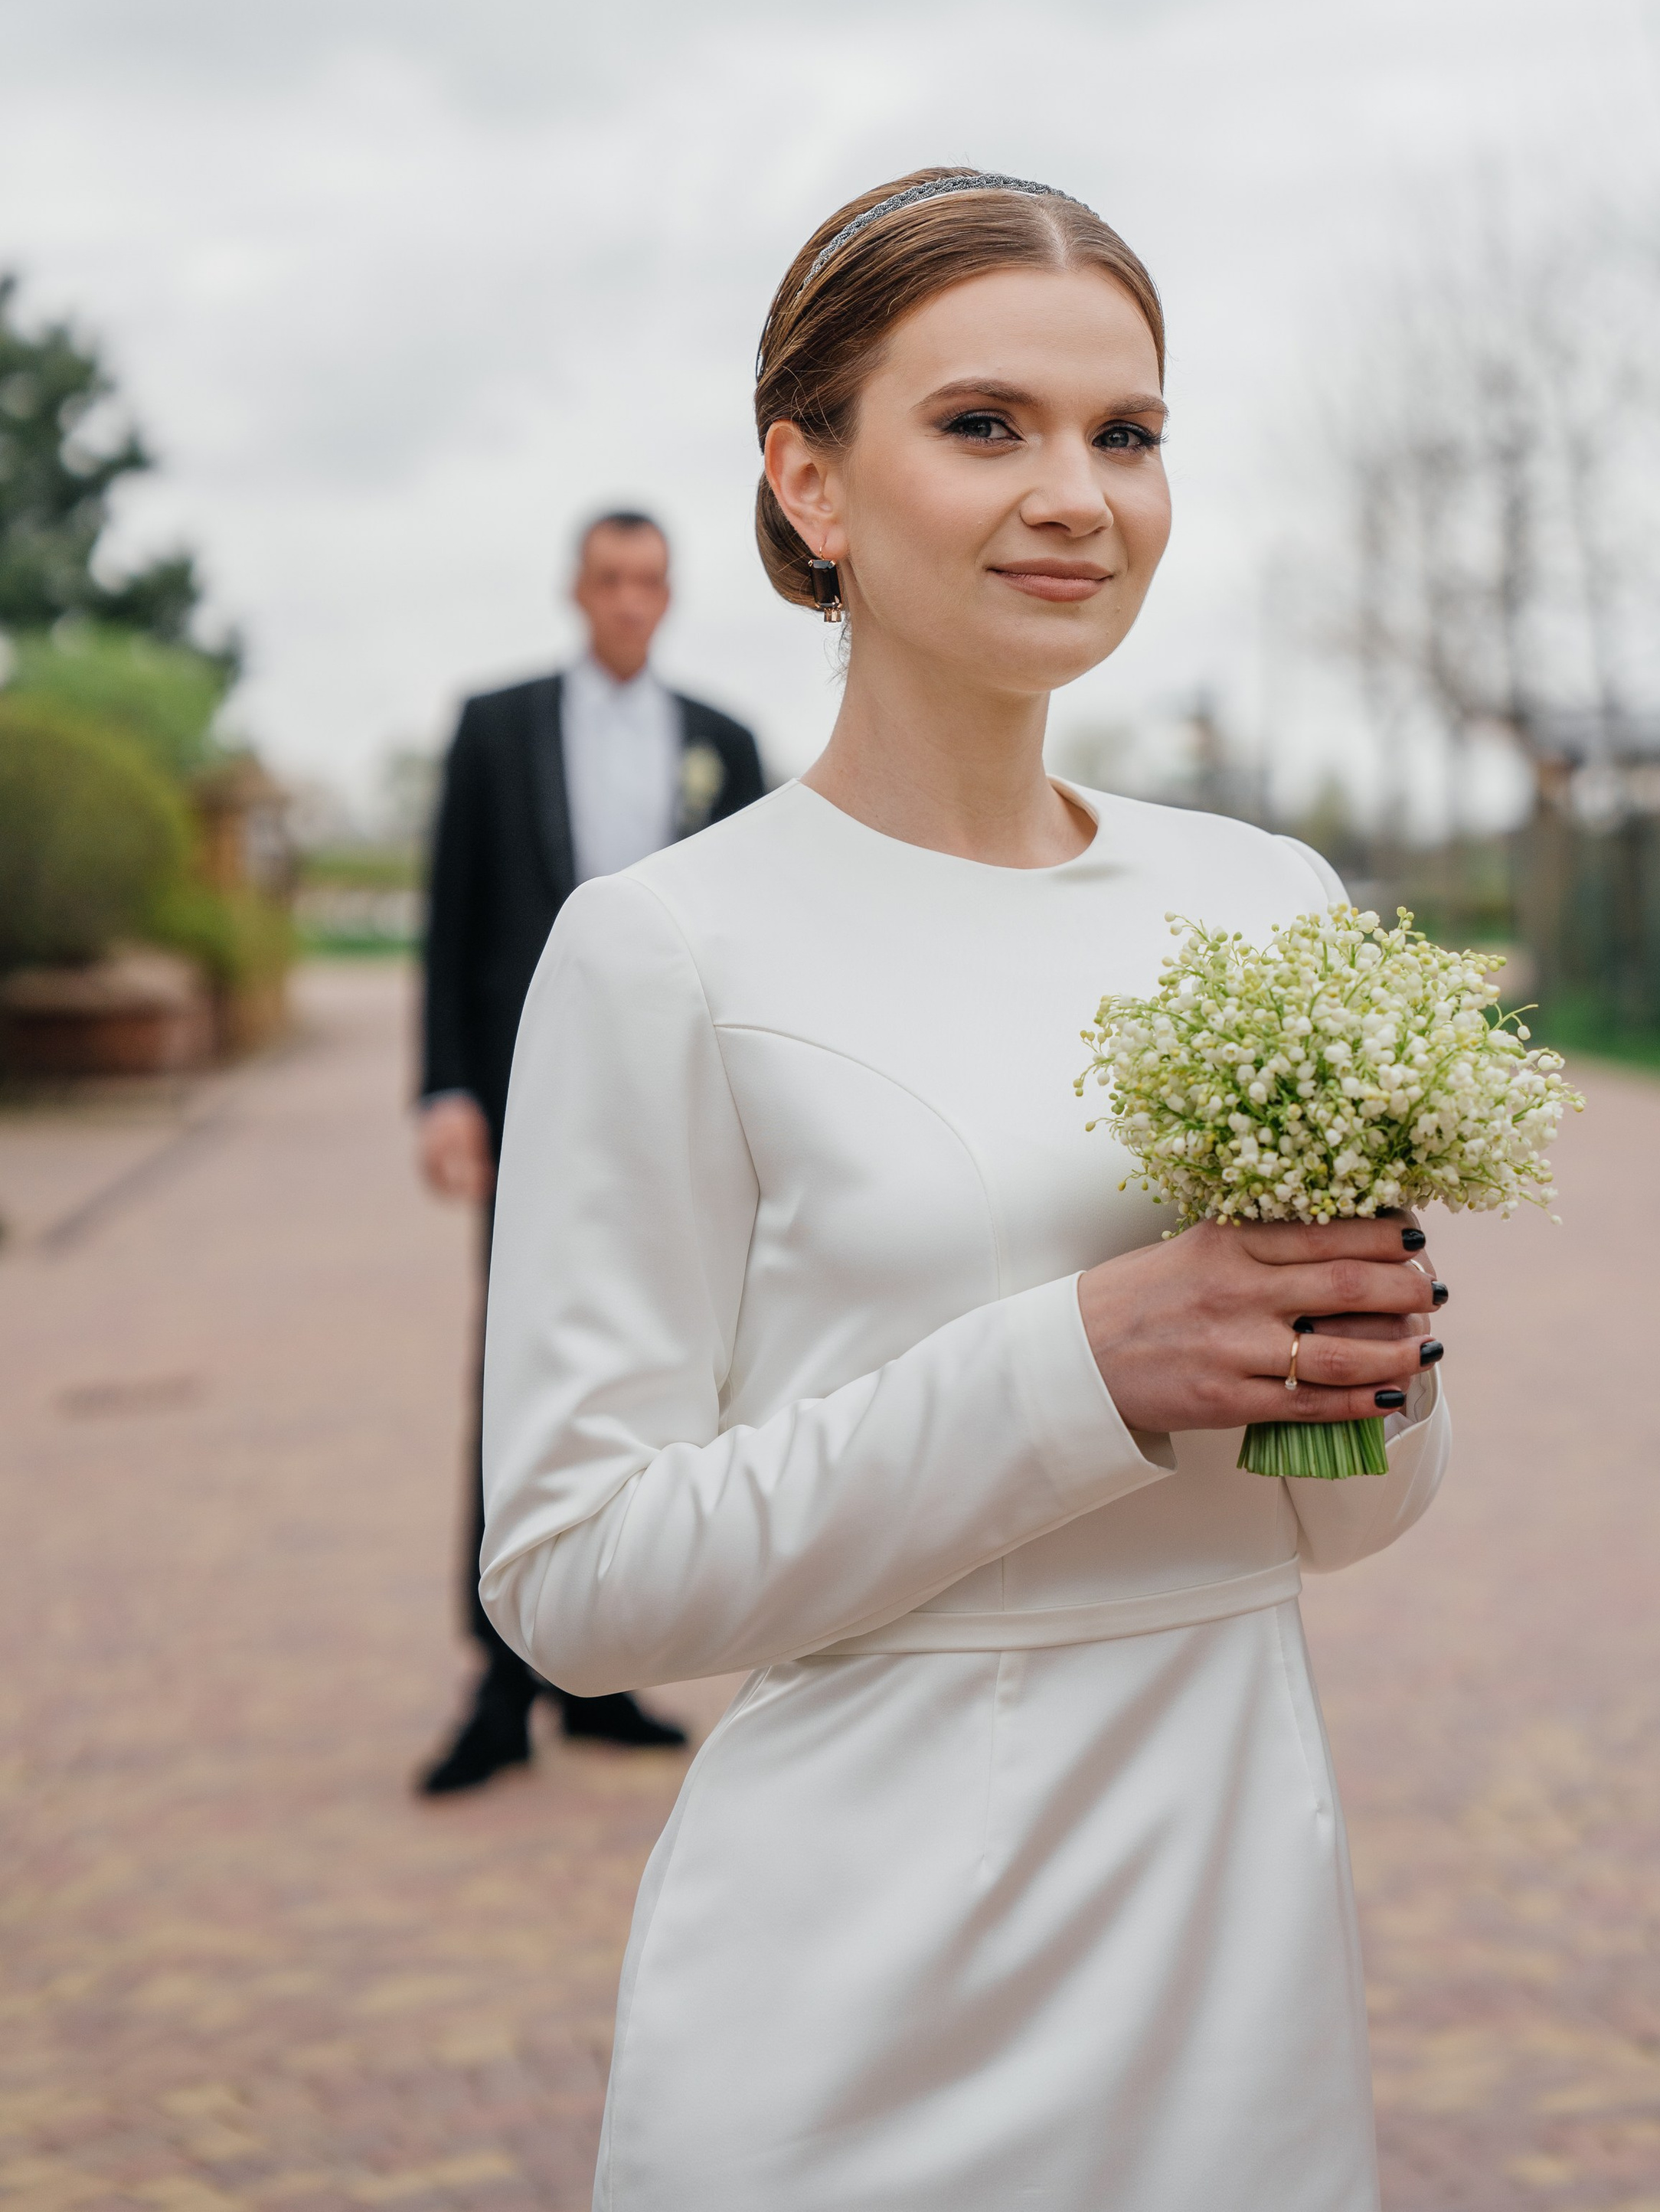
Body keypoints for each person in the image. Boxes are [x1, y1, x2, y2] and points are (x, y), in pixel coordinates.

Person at [479, 174, 1452, 2205]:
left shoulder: (1266, 900)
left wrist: (1380, 1366)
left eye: (1129, 431)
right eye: (986, 423)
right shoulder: (666, 944)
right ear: (808, 479)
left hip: (1230, 1925)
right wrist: (1086, 1363)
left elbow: (1342, 1527)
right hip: (857, 1976)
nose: (1078, 493)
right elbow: (573, 1579)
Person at [416, 505, 766, 1795]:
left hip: (676, 1108)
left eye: (651, 581)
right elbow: (450, 916)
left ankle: (604, 1664)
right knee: (519, 1361)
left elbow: (758, 928)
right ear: (577, 589)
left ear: (669, 596)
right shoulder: (495, 725)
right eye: (610, 578)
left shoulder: (721, 741)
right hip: (523, 1101)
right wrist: (444, 1087)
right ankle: (498, 1679)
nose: (630, 599)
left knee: (667, 1363)